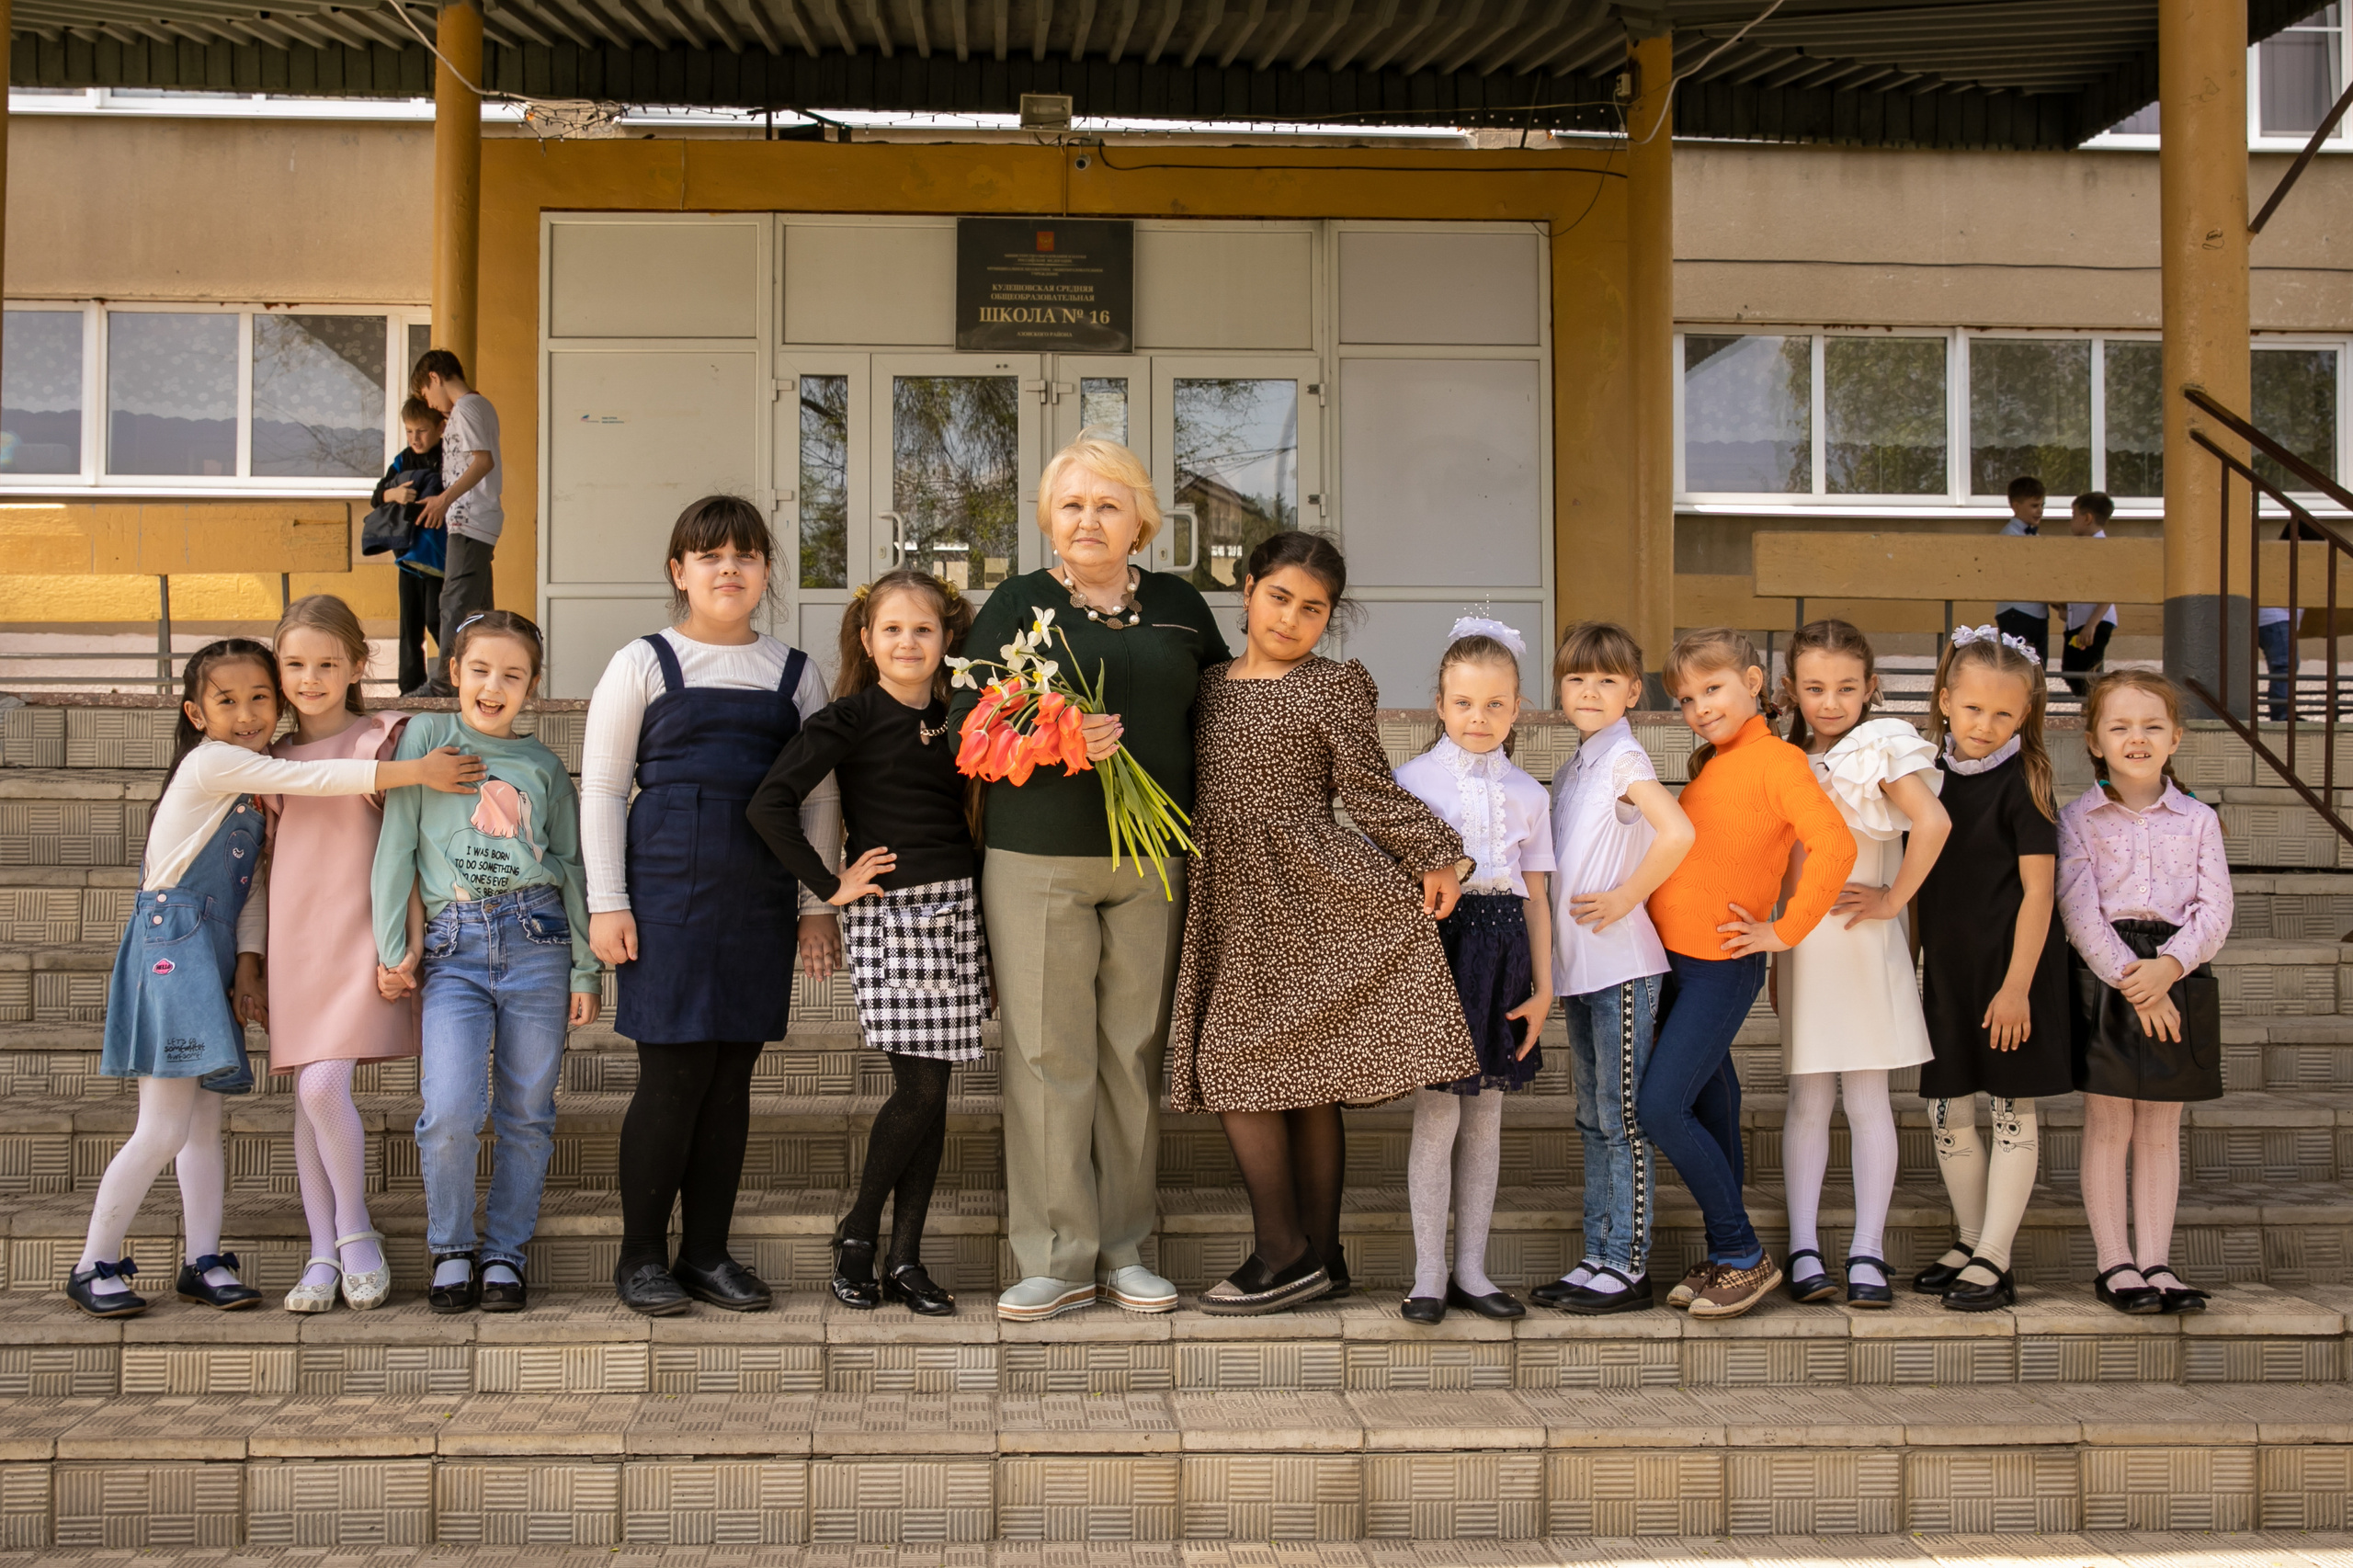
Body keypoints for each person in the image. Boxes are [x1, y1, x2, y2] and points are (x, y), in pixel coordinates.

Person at [65, 640, 479, 1319]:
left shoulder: (248, 781)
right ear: (196, 714)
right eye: (227, 701)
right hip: (171, 950)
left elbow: (250, 885)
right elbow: (319, 781)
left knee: (202, 1121)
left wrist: (249, 962)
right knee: (164, 1126)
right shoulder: (217, 764)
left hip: (213, 951)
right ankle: (94, 1261)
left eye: (260, 697)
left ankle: (203, 1259)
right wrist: (413, 773)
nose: (248, 713)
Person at [946, 435, 1230, 1324]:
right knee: (1046, 1054)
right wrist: (1055, 734)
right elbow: (969, 726)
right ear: (1048, 519)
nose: (1089, 520)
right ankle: (1053, 1255)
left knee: (1131, 1054)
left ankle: (1124, 1248)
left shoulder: (1182, 606)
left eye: (1108, 504)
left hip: (1154, 857)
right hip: (1039, 859)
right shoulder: (1018, 604)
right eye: (1071, 505)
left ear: (1142, 518)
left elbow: (1223, 713)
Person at [1168, 530, 1476, 1316]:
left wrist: (1436, 854)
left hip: (1309, 892)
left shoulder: (1332, 686)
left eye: (1314, 609)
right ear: (1245, 590)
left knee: (1278, 1073)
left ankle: (1288, 1251)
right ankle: (1319, 1258)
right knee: (1263, 1070)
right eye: (1280, 598)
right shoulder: (1205, 685)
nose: (1292, 618)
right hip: (1229, 896)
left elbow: (1366, 790)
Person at [581, 498, 837, 1317]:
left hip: (757, 896)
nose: (729, 568)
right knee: (672, 1075)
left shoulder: (798, 673)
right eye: (709, 555)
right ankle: (641, 1258)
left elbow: (821, 800)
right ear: (679, 571)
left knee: (732, 1082)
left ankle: (708, 1254)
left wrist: (817, 904)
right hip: (663, 895)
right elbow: (605, 790)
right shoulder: (642, 662)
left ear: (766, 571)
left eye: (746, 555)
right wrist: (608, 901)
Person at [750, 570, 982, 1318]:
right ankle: (858, 1234)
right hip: (894, 915)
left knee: (936, 1094)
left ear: (947, 640)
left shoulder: (962, 716)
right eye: (892, 629)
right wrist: (828, 884)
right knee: (916, 1090)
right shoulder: (848, 718)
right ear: (866, 639)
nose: (908, 642)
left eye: (924, 629)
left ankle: (906, 1258)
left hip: (960, 912)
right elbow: (769, 803)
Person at [373, 612, 600, 1315]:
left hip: (537, 941)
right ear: (454, 672)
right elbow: (398, 849)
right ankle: (450, 1249)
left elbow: (571, 866)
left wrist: (586, 968)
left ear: (533, 686)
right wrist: (393, 949)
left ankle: (504, 1252)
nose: (493, 686)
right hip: (454, 948)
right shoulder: (428, 740)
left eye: (512, 675)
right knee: (448, 1109)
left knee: (527, 1111)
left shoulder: (541, 768)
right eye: (480, 670)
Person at [1642, 628, 1855, 1322]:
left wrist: (1784, 931)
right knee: (1712, 1106)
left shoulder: (1779, 761)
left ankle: (1742, 1251)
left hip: (1718, 968)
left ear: (1755, 682)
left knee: (1659, 1108)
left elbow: (1836, 845)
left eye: (1713, 689)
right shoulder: (1713, 766)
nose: (1700, 707)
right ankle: (1723, 1254)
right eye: (1686, 698)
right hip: (1675, 964)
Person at [255, 597, 443, 1313]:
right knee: (308, 1097)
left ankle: (357, 1231)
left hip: (366, 935)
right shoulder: (269, 762)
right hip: (296, 945)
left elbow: (414, 847)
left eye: (327, 663)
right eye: (295, 664)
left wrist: (409, 945)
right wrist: (254, 962)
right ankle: (321, 1251)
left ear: (358, 666)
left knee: (322, 1087)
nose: (310, 677)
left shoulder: (387, 741)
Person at [1776, 619, 1950, 1309]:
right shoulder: (1784, 757)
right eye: (1815, 687)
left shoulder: (1882, 745)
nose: (1829, 701)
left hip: (1862, 932)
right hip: (1803, 941)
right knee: (1808, 1099)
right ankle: (1804, 1249)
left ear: (1871, 689)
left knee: (1869, 1099)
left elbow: (1933, 824)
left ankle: (1868, 1251)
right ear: (1791, 689)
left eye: (1846, 687)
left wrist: (1893, 900)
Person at [1391, 619, 1554, 1324]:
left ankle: (1472, 1271)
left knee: (1485, 1119)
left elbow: (1538, 896)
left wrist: (1545, 989)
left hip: (1505, 950)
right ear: (1439, 703)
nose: (1478, 718)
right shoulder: (1410, 782)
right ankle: (1426, 1276)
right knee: (1436, 1117)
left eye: (1495, 704)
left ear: (1517, 708)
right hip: (1438, 951)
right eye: (1463, 703)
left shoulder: (1530, 794)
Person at [1530, 621, 1692, 1317]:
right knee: (1593, 1117)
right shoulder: (1576, 767)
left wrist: (1629, 896)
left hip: (1623, 967)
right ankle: (1595, 1255)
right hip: (1581, 970)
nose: (1589, 690)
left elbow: (1679, 831)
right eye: (1576, 678)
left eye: (1606, 679)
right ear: (1560, 689)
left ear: (1633, 690)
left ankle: (1627, 1265)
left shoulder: (1627, 761)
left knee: (1621, 1119)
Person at [2059, 670, 2231, 1315]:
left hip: (2179, 972)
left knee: (2161, 1126)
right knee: (2109, 1123)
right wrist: (2139, 984)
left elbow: (2215, 912)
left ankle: (2157, 1258)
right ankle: (2115, 1262)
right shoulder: (2077, 820)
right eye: (2121, 726)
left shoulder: (2199, 820)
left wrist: (2171, 968)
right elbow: (2079, 914)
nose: (2138, 737)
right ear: (2096, 740)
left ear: (2176, 737)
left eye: (2153, 725)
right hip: (2110, 978)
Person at [1912, 626, 2072, 1312]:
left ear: (2026, 716)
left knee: (2009, 1110)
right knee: (1947, 1112)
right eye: (1973, 708)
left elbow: (2040, 892)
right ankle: (1971, 1238)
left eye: (2004, 713)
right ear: (1946, 700)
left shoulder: (2025, 784)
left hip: (2015, 977)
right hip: (1947, 973)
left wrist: (2016, 987)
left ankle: (1997, 1257)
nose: (1986, 725)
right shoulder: (1922, 779)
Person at [411, 350, 502, 698]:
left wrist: (444, 499)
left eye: (425, 393)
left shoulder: (467, 408)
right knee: (480, 611)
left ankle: (442, 686)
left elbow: (483, 462)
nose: (430, 404)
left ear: (434, 376)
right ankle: (484, 675)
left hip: (470, 518)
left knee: (455, 602)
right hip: (476, 519)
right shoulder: (473, 408)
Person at [373, 398, 449, 698]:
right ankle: (410, 689)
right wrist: (395, 493)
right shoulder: (403, 460)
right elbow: (378, 495)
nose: (415, 439)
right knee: (410, 625)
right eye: (409, 431)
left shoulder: (449, 458)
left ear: (441, 428)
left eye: (422, 431)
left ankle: (452, 677)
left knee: (436, 617)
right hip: (407, 555)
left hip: (436, 556)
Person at [2060, 492, 2120, 699]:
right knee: (2071, 671)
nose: (2071, 521)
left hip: (2094, 622)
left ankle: (2094, 713)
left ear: (2087, 518)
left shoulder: (2101, 549)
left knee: (2088, 675)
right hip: (2080, 622)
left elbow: (2110, 589)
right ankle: (2091, 711)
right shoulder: (2082, 549)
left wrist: (2091, 624)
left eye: (2073, 515)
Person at [1994, 476, 2051, 673]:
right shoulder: (2009, 536)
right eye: (2034, 505)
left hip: (2038, 611)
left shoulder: (2035, 536)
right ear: (2016, 506)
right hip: (2015, 610)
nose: (2040, 511)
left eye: (2042, 505)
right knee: (2015, 666)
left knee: (2038, 667)